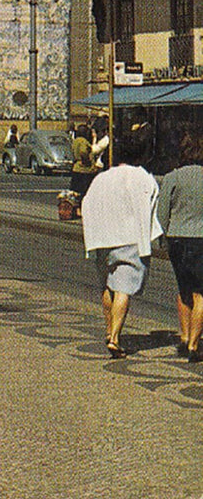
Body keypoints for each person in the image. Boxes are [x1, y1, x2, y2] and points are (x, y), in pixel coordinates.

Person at [81, 125, 162, 358]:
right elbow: (150, 209)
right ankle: (116, 337)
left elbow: (88, 205)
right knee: (124, 288)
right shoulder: (143, 178)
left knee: (107, 285)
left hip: (102, 238)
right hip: (130, 238)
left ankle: (108, 330)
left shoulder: (101, 178)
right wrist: (152, 237)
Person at [156, 132, 203, 363]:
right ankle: (195, 344)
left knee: (184, 289)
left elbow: (161, 211)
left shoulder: (172, 177)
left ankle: (184, 337)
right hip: (201, 239)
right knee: (201, 292)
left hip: (176, 238)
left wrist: (164, 235)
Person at [71, 124, 101, 198]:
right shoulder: (83, 141)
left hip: (76, 168)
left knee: (75, 192)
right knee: (84, 192)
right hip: (84, 170)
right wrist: (86, 160)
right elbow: (83, 151)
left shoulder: (75, 141)